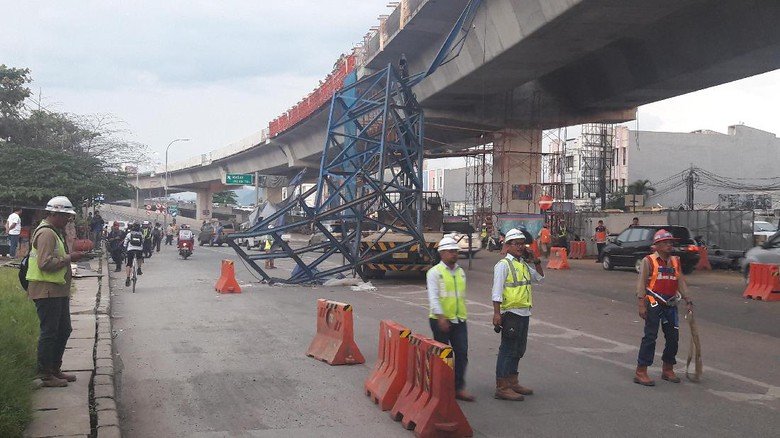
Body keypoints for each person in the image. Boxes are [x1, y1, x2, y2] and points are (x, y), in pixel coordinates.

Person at [26, 196, 86, 387]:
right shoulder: (46, 234)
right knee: (50, 332)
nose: (67, 221)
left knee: (64, 329)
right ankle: (45, 373)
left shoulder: (54, 232)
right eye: (66, 217)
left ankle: (54, 368)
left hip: (57, 290)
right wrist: (69, 258)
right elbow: (44, 263)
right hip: (47, 290)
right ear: (55, 213)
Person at [634, 229, 694, 386]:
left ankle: (668, 368)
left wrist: (688, 299)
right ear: (658, 245)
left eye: (670, 243)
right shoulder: (649, 261)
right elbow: (641, 283)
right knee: (650, 337)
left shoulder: (675, 261)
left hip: (671, 303)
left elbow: (680, 280)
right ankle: (641, 371)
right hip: (654, 302)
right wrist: (641, 304)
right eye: (666, 243)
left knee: (673, 337)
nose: (669, 245)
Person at [492, 228, 544, 401]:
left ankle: (513, 381)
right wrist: (497, 313)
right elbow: (497, 291)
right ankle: (502, 386)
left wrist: (535, 260)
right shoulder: (503, 265)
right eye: (516, 244)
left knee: (518, 349)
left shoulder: (522, 264)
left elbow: (539, 278)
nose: (520, 247)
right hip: (510, 313)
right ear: (507, 246)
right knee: (507, 349)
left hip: (524, 312)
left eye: (522, 244)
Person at [427, 236, 475, 402]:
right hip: (440, 319)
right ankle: (441, 387)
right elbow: (433, 297)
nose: (454, 254)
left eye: (456, 251)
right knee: (443, 356)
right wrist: (441, 317)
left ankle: (458, 387)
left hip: (459, 319)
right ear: (442, 253)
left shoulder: (460, 272)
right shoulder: (434, 273)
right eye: (451, 251)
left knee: (462, 353)